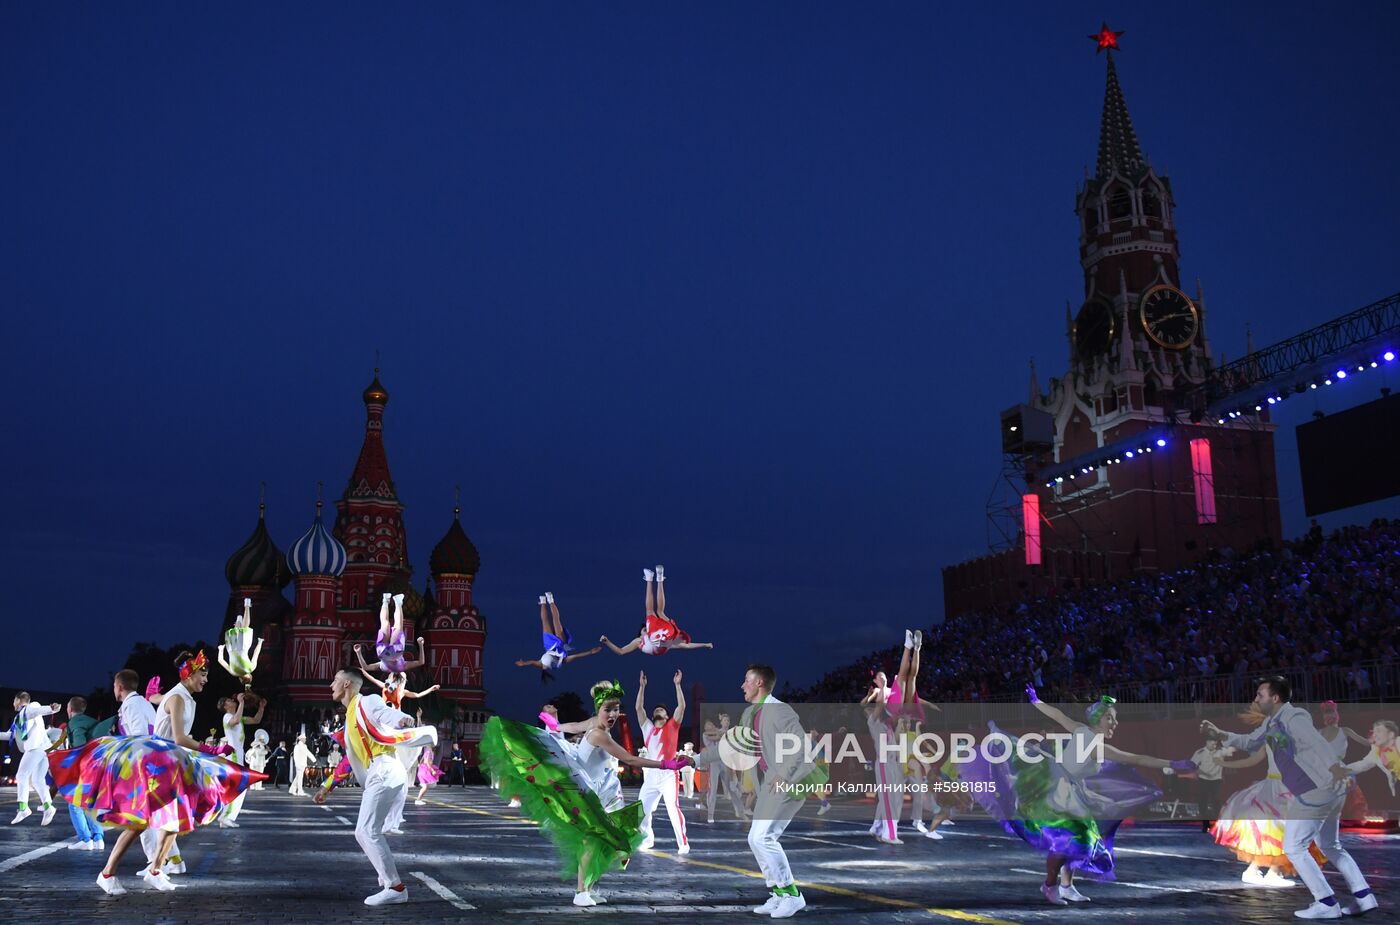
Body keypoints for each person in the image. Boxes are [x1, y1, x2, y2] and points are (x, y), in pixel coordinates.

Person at [50, 650, 260, 895]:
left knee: (176, 819)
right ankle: (107, 874)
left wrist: (153, 697)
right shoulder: (180, 698)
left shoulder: (183, 696)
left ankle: (155, 871)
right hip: (157, 763)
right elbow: (180, 737)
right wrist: (212, 749)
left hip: (170, 761)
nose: (205, 679)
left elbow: (165, 701)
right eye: (202, 675)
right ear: (189, 675)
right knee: (140, 822)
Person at [967, 688, 1192, 906]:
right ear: (1098, 719)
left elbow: (1058, 715)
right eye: (1110, 718)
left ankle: (1066, 885)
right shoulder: (1094, 744)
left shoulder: (1081, 730)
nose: (1115, 723)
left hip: (1069, 790)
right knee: (1070, 840)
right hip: (1057, 791)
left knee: (1076, 839)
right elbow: (1137, 758)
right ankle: (1050, 885)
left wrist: (1037, 701)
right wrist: (1171, 763)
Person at [479, 678, 692, 907]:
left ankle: (588, 889)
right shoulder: (599, 734)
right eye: (607, 710)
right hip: (586, 791)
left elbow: (573, 727)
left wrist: (556, 725)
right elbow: (629, 759)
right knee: (592, 840)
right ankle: (581, 892)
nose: (612, 714)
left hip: (603, 789)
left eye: (616, 709)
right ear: (598, 710)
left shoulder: (593, 723)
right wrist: (666, 765)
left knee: (606, 841)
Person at [1202, 676, 1379, 918]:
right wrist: (1220, 733)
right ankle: (1364, 896)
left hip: (1317, 788)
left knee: (1294, 848)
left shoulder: (1294, 717)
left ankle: (1326, 903)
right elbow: (1250, 741)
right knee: (1330, 845)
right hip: (1329, 788)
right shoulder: (1271, 722)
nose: (1255, 699)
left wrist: (1334, 768)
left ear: (1275, 698)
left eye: (1260, 695)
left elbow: (1317, 743)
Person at [314, 668, 438, 907]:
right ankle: (389, 882)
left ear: (347, 684)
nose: (331, 685)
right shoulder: (351, 717)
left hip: (385, 769)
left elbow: (385, 713)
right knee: (367, 831)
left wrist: (400, 720)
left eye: (335, 680)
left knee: (366, 831)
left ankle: (395, 887)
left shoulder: (367, 701)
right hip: (378, 772)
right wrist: (327, 786)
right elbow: (350, 759)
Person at [740, 663, 819, 919]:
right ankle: (778, 893)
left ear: (759, 683)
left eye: (746, 681)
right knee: (755, 838)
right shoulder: (753, 713)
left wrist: (784, 775)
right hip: (770, 784)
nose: (742, 685)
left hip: (791, 780)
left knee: (764, 838)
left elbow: (800, 746)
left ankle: (793, 895)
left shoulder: (779, 710)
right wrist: (694, 760)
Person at [600, 566, 714, 656]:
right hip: (667, 633)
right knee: (656, 611)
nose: (645, 629)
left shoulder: (644, 642)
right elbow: (687, 646)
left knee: (658, 612)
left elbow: (621, 652)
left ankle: (655, 579)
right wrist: (704, 644)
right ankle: (654, 578)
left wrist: (706, 645)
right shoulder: (639, 640)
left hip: (666, 634)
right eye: (644, 629)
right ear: (641, 634)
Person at [635, 669, 690, 853]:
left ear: (667, 716)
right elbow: (638, 709)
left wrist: (677, 685)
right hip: (651, 775)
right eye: (656, 710)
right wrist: (642, 687)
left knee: (673, 810)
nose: (658, 710)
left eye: (662, 710)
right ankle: (647, 839)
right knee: (642, 809)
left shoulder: (672, 726)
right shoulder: (648, 728)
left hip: (668, 775)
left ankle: (683, 843)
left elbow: (681, 707)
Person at [2, 692, 60, 826]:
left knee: (22, 775)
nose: (13, 704)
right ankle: (48, 807)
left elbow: (36, 710)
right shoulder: (22, 718)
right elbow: (11, 735)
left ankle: (23, 808)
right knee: (37, 780)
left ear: (19, 700)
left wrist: (50, 708)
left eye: (14, 701)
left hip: (35, 748)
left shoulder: (29, 708)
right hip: (44, 750)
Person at [515, 592, 603, 679]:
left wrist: (591, 652)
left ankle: (549, 599)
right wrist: (591, 652)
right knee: (548, 621)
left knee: (554, 620)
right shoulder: (549, 664)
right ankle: (544, 601)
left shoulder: (557, 663)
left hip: (557, 644)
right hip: (552, 644)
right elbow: (577, 656)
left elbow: (577, 656)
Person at [56, 696, 103, 848]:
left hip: (84, 769)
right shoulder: (92, 722)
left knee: (74, 804)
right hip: (97, 767)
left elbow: (79, 745)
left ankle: (85, 840)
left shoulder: (74, 723)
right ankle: (98, 839)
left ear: (69, 710)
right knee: (90, 803)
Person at [217, 692, 266, 827]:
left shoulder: (239, 717)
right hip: (233, 755)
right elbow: (236, 720)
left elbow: (256, 720)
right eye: (229, 700)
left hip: (237, 755)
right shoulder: (227, 717)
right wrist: (242, 702)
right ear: (225, 706)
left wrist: (261, 707)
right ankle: (226, 816)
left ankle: (226, 816)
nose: (233, 701)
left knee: (237, 787)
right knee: (238, 786)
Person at [359, 593, 427, 675]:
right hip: (382, 652)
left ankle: (398, 601)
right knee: (384, 624)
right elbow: (366, 667)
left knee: (398, 625)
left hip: (396, 651)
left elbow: (421, 662)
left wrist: (420, 644)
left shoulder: (402, 667)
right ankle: (385, 600)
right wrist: (358, 652)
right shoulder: (383, 668)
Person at [217, 597, 265, 688]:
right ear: (240, 679)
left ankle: (247, 606)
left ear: (250, 676)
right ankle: (239, 619)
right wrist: (221, 649)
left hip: (243, 647)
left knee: (245, 628)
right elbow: (220, 660)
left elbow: (256, 653)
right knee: (238, 629)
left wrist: (260, 642)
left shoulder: (251, 668)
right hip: (231, 647)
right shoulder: (233, 673)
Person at [1190, 736, 1235, 833]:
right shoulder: (1200, 752)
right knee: (1203, 800)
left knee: (1216, 800)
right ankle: (1204, 824)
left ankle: (1218, 824)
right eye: (1212, 743)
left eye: (1215, 743)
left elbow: (1232, 750)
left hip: (1216, 779)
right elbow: (1192, 765)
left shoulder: (1220, 751)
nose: (1214, 745)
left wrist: (1228, 746)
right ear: (1207, 742)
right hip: (1204, 779)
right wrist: (1200, 772)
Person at [290, 731, 312, 796]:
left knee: (298, 777)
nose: (305, 740)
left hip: (303, 764)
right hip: (299, 764)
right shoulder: (297, 746)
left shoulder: (304, 746)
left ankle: (292, 789)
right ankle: (299, 791)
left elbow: (308, 753)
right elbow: (295, 756)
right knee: (300, 778)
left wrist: (314, 760)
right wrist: (297, 764)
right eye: (304, 739)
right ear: (301, 739)